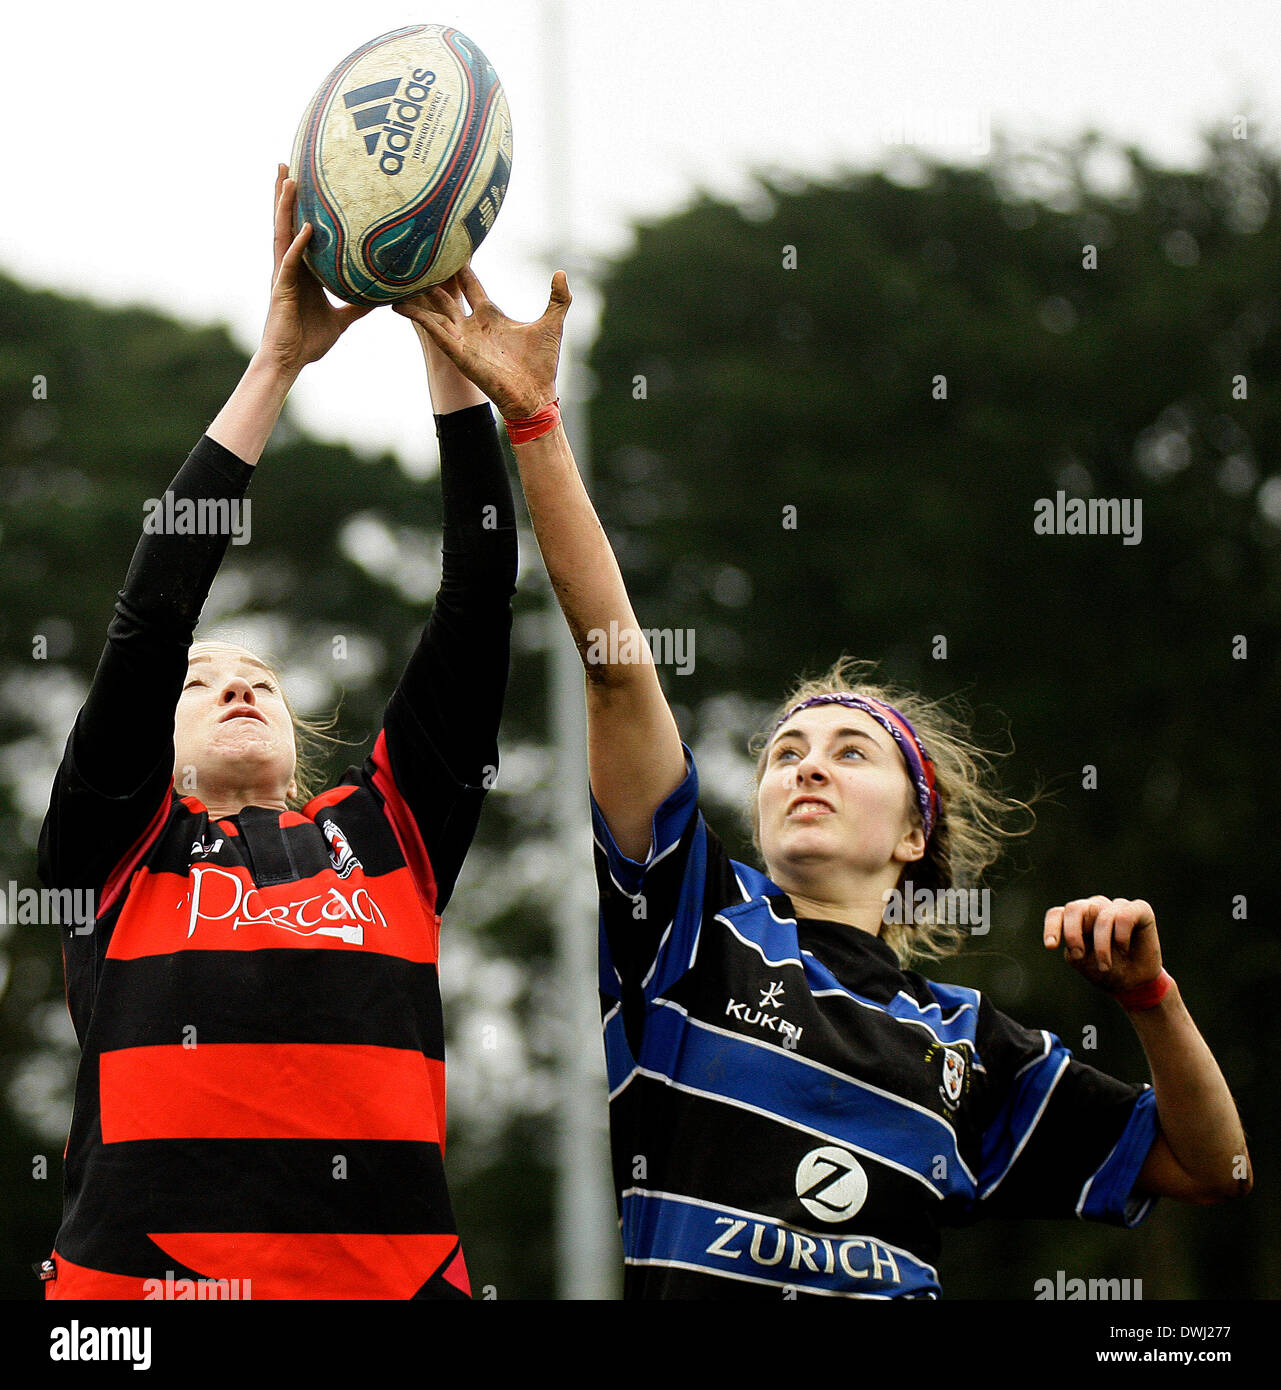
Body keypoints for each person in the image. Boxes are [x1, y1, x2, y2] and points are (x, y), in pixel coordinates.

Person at [396, 265, 1254, 1299]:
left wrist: (1151, 1000)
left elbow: (1216, 1167)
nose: (807, 763)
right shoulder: (694, 926)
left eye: (852, 752)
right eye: (784, 754)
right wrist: (535, 423)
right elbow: (617, 669)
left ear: (911, 834)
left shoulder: (968, 1041)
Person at [35, 168, 516, 1300]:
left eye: (260, 677)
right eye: (206, 682)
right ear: (157, 733)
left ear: (299, 739)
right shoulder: (119, 848)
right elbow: (151, 616)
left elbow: (478, 597)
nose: (239, 684)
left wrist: (449, 353)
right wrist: (277, 365)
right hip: (133, 1304)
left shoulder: (388, 832)